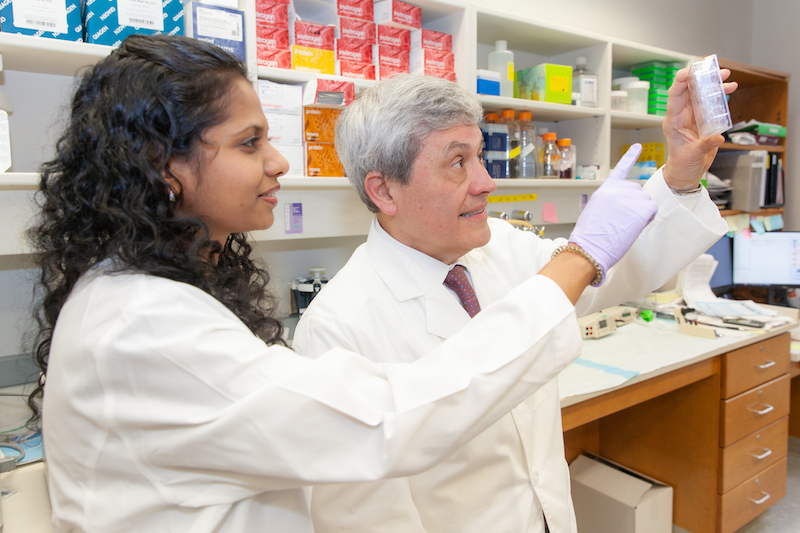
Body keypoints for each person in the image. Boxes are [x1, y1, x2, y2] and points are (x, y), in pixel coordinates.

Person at [25, 35, 662, 533]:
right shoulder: (143, 327)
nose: (279, 162)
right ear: (167, 168)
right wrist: (580, 256)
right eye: (250, 144)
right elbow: (382, 422)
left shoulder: (154, 297)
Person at [292, 73, 735, 533]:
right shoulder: (335, 329)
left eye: (479, 156)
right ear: (385, 191)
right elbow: (370, 519)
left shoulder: (500, 247)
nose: (486, 182)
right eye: (457, 163)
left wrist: (680, 176)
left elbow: (602, 276)